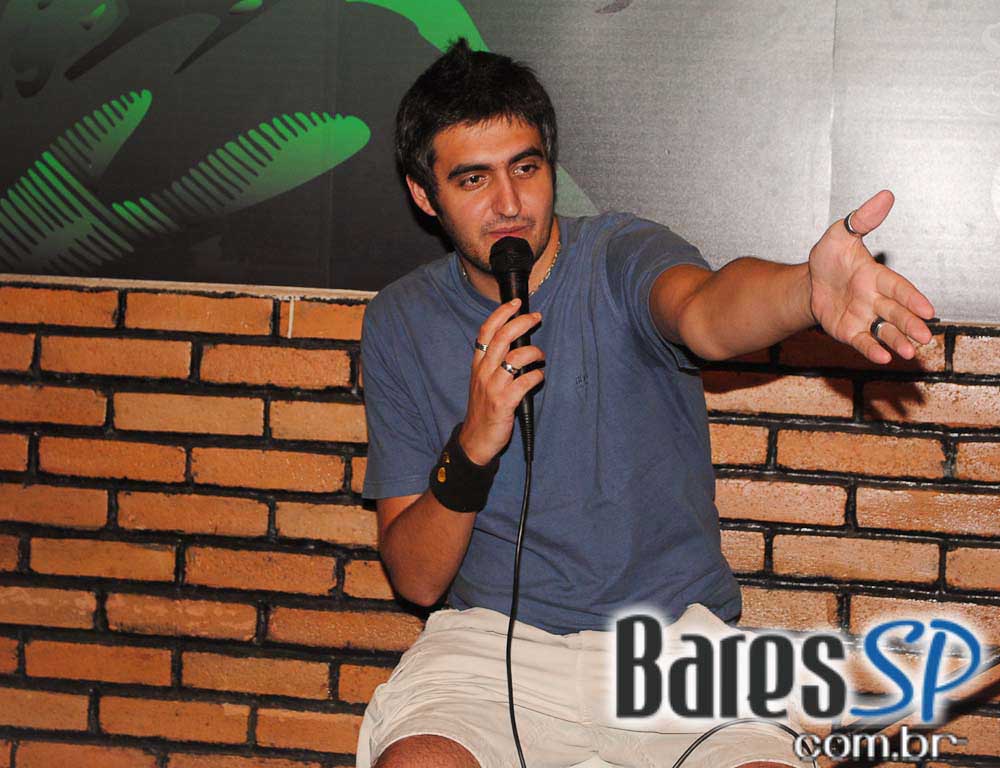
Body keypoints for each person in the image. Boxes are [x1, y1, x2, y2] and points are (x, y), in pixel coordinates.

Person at [356, 39, 935, 768]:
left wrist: (803, 293)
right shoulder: (400, 319)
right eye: (473, 179)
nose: (509, 204)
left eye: (525, 169)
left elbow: (704, 312)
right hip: (487, 648)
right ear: (424, 195)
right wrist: (474, 443)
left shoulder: (620, 253)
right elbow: (416, 579)